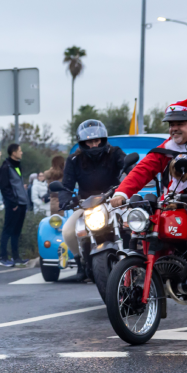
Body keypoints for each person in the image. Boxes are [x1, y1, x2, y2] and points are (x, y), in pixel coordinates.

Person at [111, 98, 187, 295]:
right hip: (177, 201)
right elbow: (142, 170)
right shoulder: (166, 149)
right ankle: (156, 269)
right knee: (151, 220)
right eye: (172, 124)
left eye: (180, 124)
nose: (174, 128)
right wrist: (122, 193)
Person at [60, 119, 127, 282]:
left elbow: (128, 168)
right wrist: (67, 199)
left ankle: (136, 257)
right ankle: (81, 264)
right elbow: (66, 185)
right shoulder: (74, 160)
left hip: (114, 200)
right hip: (87, 204)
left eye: (97, 140)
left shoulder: (115, 153)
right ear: (82, 143)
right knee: (68, 231)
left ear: (103, 140)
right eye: (90, 141)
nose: (94, 144)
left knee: (133, 222)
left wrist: (128, 177)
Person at [0, 143, 29, 267]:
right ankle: (3, 257)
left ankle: (16, 257)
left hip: (22, 203)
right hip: (14, 205)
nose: (21, 153)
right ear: (13, 153)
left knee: (16, 232)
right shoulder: (5, 167)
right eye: (20, 151)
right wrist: (13, 202)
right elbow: (4, 188)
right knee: (8, 230)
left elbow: (16, 184)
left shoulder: (16, 166)